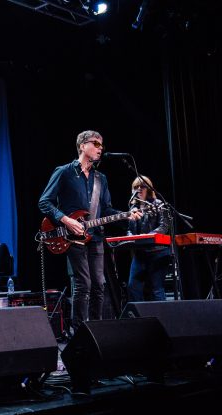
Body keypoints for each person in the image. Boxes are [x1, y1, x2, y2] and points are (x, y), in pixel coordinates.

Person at [38, 130, 141, 333]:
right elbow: (44, 202)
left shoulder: (101, 178)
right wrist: (66, 220)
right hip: (72, 236)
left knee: (99, 285)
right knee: (83, 283)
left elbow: (106, 209)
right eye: (96, 144)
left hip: (95, 236)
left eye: (102, 145)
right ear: (82, 146)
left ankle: (97, 330)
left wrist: (126, 215)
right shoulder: (64, 172)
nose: (100, 148)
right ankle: (79, 331)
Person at [126, 176, 171, 302]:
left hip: (158, 251)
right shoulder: (133, 208)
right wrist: (130, 237)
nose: (139, 189)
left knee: (156, 289)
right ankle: (140, 314)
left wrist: (147, 237)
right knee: (133, 287)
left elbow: (164, 226)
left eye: (143, 187)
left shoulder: (159, 204)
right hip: (140, 253)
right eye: (136, 187)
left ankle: (162, 314)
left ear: (149, 189)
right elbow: (129, 229)